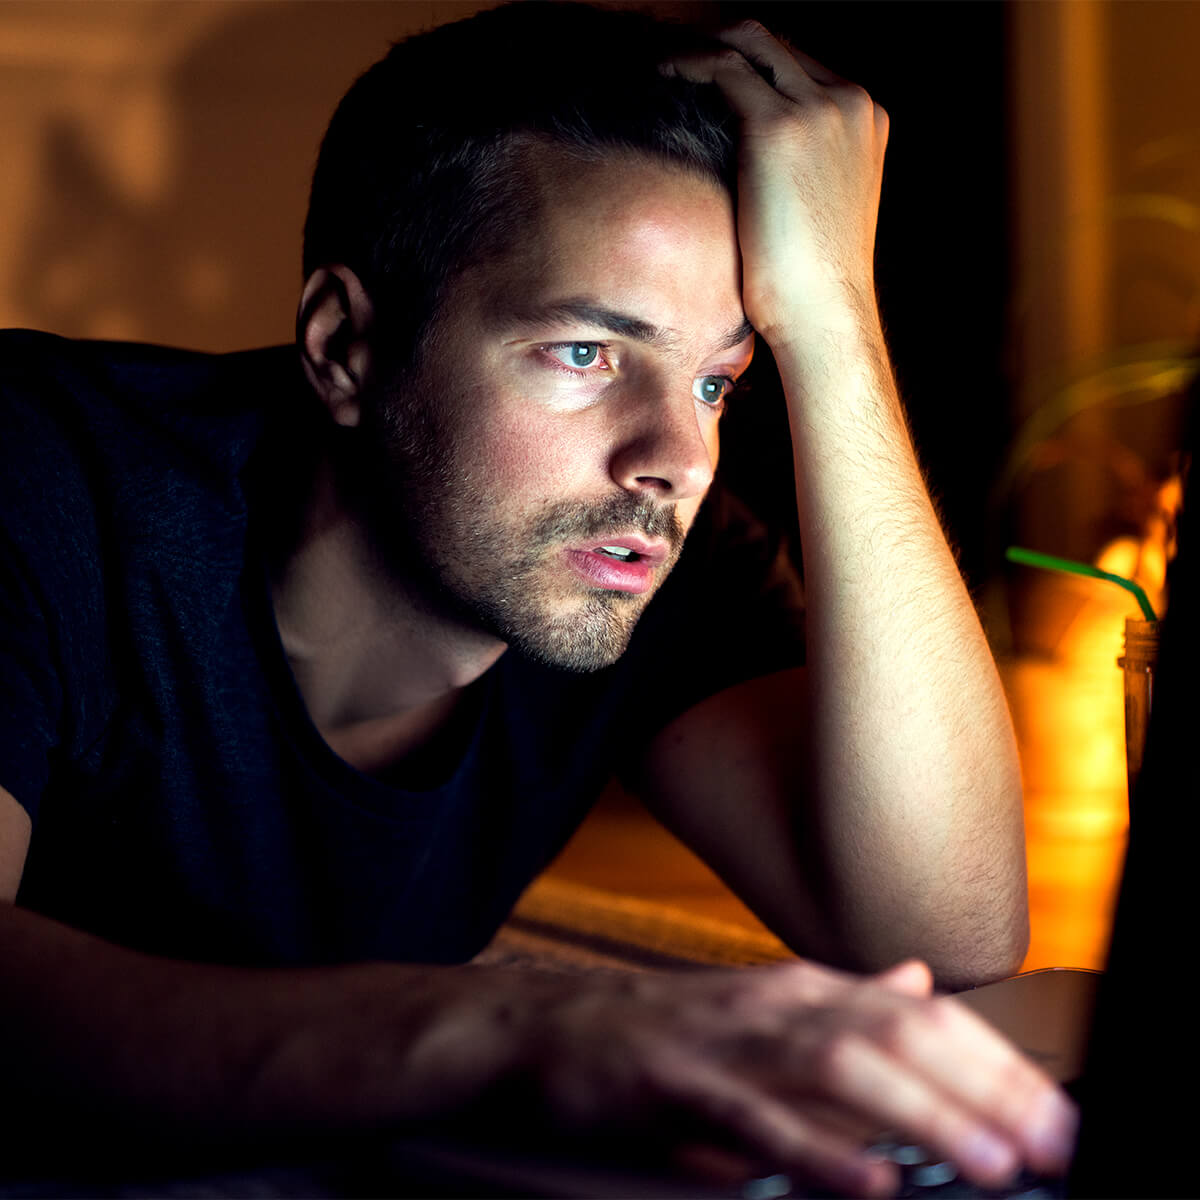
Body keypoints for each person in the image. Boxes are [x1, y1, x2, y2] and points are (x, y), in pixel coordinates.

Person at [0, 5, 1074, 1195]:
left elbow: (949, 939)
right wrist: (513, 1031)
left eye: (718, 379)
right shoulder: (41, 470)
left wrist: (833, 319)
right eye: (586, 353)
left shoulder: (654, 554)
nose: (673, 456)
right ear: (345, 345)